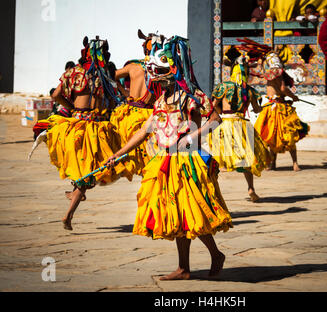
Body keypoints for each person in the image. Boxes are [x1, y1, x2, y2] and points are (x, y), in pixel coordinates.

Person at [107, 35, 232, 280]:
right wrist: (119, 153)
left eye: (160, 77)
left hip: (189, 160)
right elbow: (145, 131)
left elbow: (215, 119)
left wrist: (193, 135)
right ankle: (184, 268)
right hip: (165, 161)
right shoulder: (161, 102)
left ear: (170, 72)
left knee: (193, 212)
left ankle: (215, 254)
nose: (158, 83)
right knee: (176, 215)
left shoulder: (192, 96)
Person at [47, 36, 125, 231]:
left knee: (85, 170)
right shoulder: (105, 76)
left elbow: (56, 95)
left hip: (76, 125)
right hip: (95, 129)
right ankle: (69, 213)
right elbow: (113, 101)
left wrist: (71, 106)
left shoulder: (73, 73)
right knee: (89, 173)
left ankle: (74, 193)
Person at [208, 44, 271, 202]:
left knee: (217, 159)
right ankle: (251, 189)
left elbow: (213, 104)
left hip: (225, 124)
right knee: (247, 160)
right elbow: (257, 110)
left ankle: (212, 191)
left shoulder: (223, 87)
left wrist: (218, 113)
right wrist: (260, 105)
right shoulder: (249, 90)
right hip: (242, 125)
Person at [239, 39, 308, 171]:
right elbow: (282, 89)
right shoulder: (276, 72)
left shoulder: (270, 72)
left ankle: (274, 163)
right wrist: (294, 97)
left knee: (273, 135)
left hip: (272, 107)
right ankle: (293, 163)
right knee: (286, 135)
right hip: (279, 107)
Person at [110, 30, 162, 180]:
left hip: (130, 115)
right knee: (150, 156)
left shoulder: (133, 66)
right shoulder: (160, 69)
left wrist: (124, 93)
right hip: (148, 114)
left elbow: (110, 76)